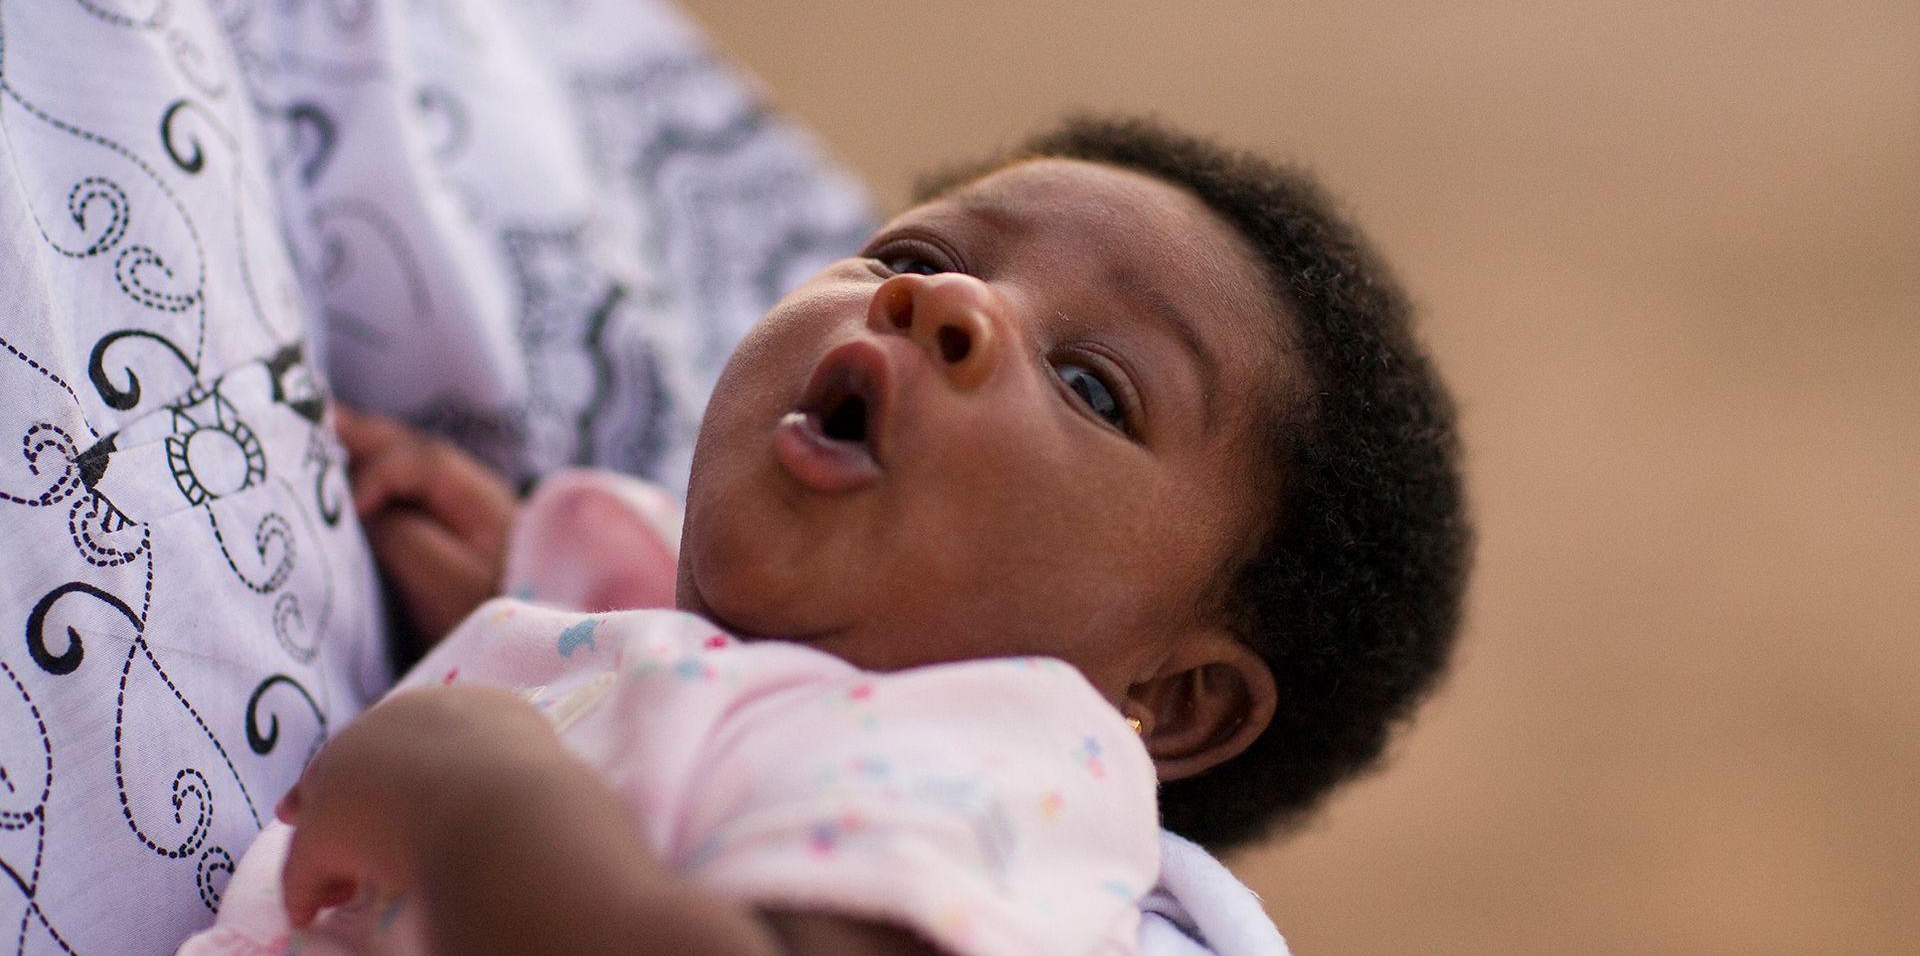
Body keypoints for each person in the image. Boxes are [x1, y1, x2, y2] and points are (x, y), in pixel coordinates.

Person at [179, 117, 1470, 956]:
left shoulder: (1006, 785)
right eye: (910, 252)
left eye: (1093, 387)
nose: (943, 300)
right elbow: (697, 677)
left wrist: (473, 795)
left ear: (1169, 702)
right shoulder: (752, 649)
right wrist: (536, 582)